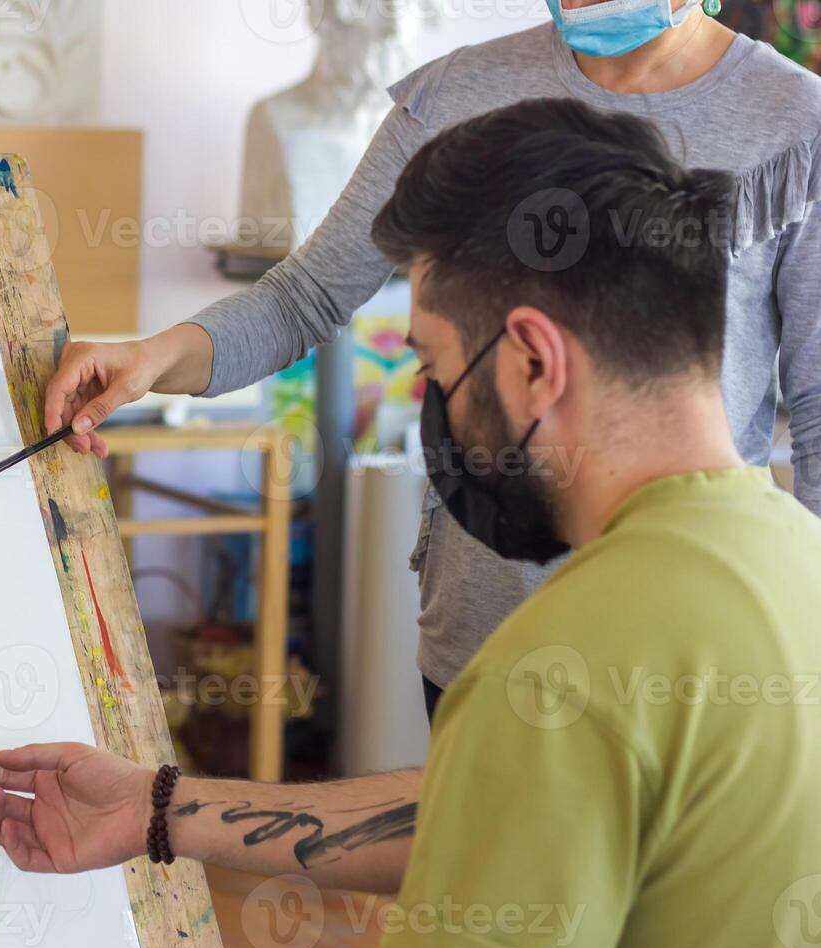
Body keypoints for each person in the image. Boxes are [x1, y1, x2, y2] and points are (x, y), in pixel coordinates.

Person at [0, 97, 821, 948]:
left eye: (434, 366)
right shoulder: (795, 565)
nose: (433, 409)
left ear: (533, 360)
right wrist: (155, 807)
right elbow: (487, 810)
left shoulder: (562, 670)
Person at [43, 0, 821, 717]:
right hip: (482, 635)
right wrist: (150, 358)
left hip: (687, 652)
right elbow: (305, 297)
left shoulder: (796, 128)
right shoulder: (459, 95)